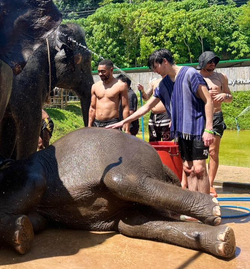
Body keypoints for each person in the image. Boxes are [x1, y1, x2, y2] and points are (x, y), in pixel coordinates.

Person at [107, 49, 214, 194]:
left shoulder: (191, 74)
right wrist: (123, 122)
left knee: (200, 169)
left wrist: (208, 129)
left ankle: (205, 207)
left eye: (155, 67)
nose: (155, 71)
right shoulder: (164, 84)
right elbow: (147, 107)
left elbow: (208, 101)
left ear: (164, 61)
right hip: (181, 131)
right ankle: (194, 208)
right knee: (189, 169)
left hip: (198, 129)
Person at [198, 51, 233, 197]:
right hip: (199, 117)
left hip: (216, 116)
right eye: (210, 61)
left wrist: (224, 95)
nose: (213, 64)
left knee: (213, 152)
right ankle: (198, 183)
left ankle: (210, 184)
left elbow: (230, 98)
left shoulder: (221, 77)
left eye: (214, 61)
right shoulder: (195, 76)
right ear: (202, 62)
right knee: (198, 152)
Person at [88, 59, 129, 132]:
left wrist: (127, 128)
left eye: (103, 71)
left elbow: (125, 108)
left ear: (111, 70)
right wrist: (89, 126)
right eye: (99, 71)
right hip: (97, 124)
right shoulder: (95, 86)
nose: (100, 74)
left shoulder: (121, 86)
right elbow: (92, 107)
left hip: (112, 123)